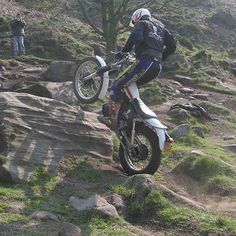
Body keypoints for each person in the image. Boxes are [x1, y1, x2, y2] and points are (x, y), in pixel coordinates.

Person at [98, 8, 176, 130]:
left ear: (137, 16)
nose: (134, 24)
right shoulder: (161, 28)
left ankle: (112, 119)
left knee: (117, 85)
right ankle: (125, 115)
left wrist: (124, 52)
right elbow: (172, 45)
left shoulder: (142, 23)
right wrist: (160, 56)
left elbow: (136, 37)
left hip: (144, 63)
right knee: (128, 87)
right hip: (156, 68)